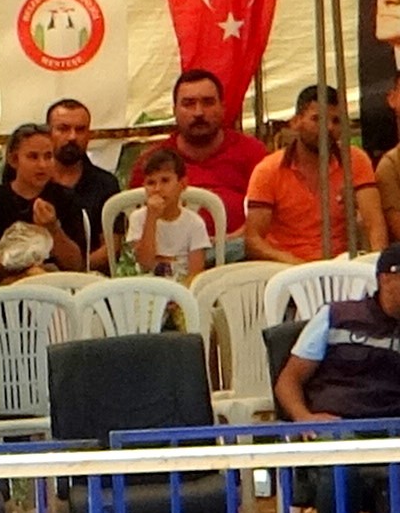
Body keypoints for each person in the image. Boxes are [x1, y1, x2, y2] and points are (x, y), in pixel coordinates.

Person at [245, 83, 383, 265]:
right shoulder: (268, 170)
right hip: (285, 269)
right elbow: (253, 240)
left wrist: (378, 268)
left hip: (342, 268)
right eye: (317, 119)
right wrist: (297, 266)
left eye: (336, 121)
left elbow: (374, 224)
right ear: (295, 122)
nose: (328, 128)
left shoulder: (355, 160)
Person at [275, 245, 400, 421]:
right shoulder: (335, 316)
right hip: (336, 427)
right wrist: (303, 417)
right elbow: (289, 380)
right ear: (385, 278)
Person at [0, 125, 93, 284]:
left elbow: (76, 264)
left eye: (48, 156)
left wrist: (53, 229)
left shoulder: (65, 198)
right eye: (33, 157)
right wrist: (19, 265)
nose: (42, 165)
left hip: (58, 285)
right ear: (14, 160)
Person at [165, 69, 266, 224]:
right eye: (189, 104)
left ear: (222, 107)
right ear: (174, 111)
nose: (198, 112)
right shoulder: (152, 162)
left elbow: (273, 218)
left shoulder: (254, 155)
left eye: (208, 102)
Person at [123, 146, 215, 281]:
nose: (157, 189)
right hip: (148, 287)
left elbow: (196, 273)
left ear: (182, 184)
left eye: (165, 181)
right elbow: (145, 264)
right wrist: (151, 218)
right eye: (151, 183)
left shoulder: (194, 223)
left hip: (183, 289)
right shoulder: (138, 218)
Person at [46, 97, 122, 228]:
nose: (72, 137)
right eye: (63, 129)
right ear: (48, 133)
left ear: (89, 135)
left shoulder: (106, 185)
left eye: (80, 130)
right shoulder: (31, 183)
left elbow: (112, 243)